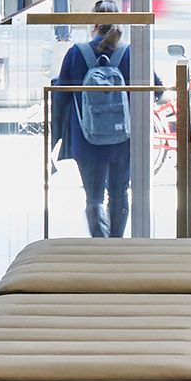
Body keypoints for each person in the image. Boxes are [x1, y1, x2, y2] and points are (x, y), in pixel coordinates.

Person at [52, 21, 144, 237]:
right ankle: (116, 243)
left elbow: (62, 95)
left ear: (92, 25)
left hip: (86, 139)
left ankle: (100, 245)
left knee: (93, 198)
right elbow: (155, 88)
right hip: (124, 139)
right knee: (120, 192)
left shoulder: (76, 53)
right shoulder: (130, 52)